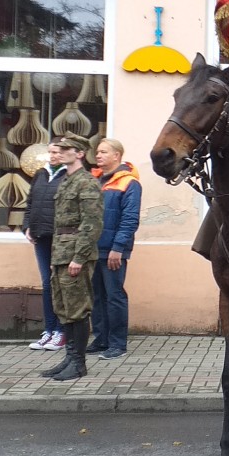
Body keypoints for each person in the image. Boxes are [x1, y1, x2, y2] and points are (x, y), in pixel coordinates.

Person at [38, 135, 102, 382]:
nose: (61, 152)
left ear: (80, 153)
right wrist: (57, 257)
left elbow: (91, 223)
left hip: (76, 253)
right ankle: (70, 357)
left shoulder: (86, 183)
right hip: (62, 252)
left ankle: (78, 363)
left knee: (77, 309)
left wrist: (79, 257)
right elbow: (60, 223)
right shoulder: (66, 180)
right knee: (64, 309)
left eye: (67, 149)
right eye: (60, 149)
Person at [88, 138, 140, 360]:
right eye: (97, 152)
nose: (98, 156)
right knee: (97, 297)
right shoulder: (96, 180)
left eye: (103, 152)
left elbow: (130, 219)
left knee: (114, 296)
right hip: (92, 250)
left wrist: (118, 248)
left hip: (113, 251)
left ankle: (117, 344)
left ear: (116, 155)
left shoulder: (129, 183)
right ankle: (101, 339)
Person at [23, 141, 68, 352]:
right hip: (40, 236)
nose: (53, 156)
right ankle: (49, 329)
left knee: (61, 284)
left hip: (59, 237)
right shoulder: (41, 174)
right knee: (47, 284)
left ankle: (61, 331)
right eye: (50, 152)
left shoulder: (69, 176)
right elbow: (30, 202)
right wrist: (27, 227)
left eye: (57, 152)